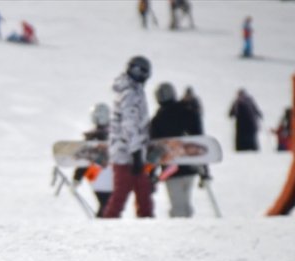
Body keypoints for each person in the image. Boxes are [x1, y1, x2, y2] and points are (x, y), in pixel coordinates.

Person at [101, 55, 154, 219]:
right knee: (121, 193)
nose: (142, 75)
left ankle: (146, 221)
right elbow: (129, 124)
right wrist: (136, 152)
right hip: (126, 153)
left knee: (143, 192)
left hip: (130, 152)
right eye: (140, 71)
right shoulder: (130, 94)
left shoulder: (134, 91)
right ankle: (107, 224)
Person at [150, 82, 203, 217]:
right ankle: (187, 226)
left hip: (170, 169)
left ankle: (181, 229)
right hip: (191, 165)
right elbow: (200, 141)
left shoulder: (158, 119)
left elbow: (155, 149)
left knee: (177, 204)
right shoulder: (188, 112)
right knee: (185, 202)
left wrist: (152, 173)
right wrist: (204, 169)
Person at [73, 102, 114, 217]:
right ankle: (103, 222)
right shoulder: (116, 134)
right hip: (104, 175)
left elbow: (84, 160)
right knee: (107, 204)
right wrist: (77, 177)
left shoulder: (91, 137)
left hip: (100, 176)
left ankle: (102, 222)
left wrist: (77, 178)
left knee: (106, 204)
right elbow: (84, 161)